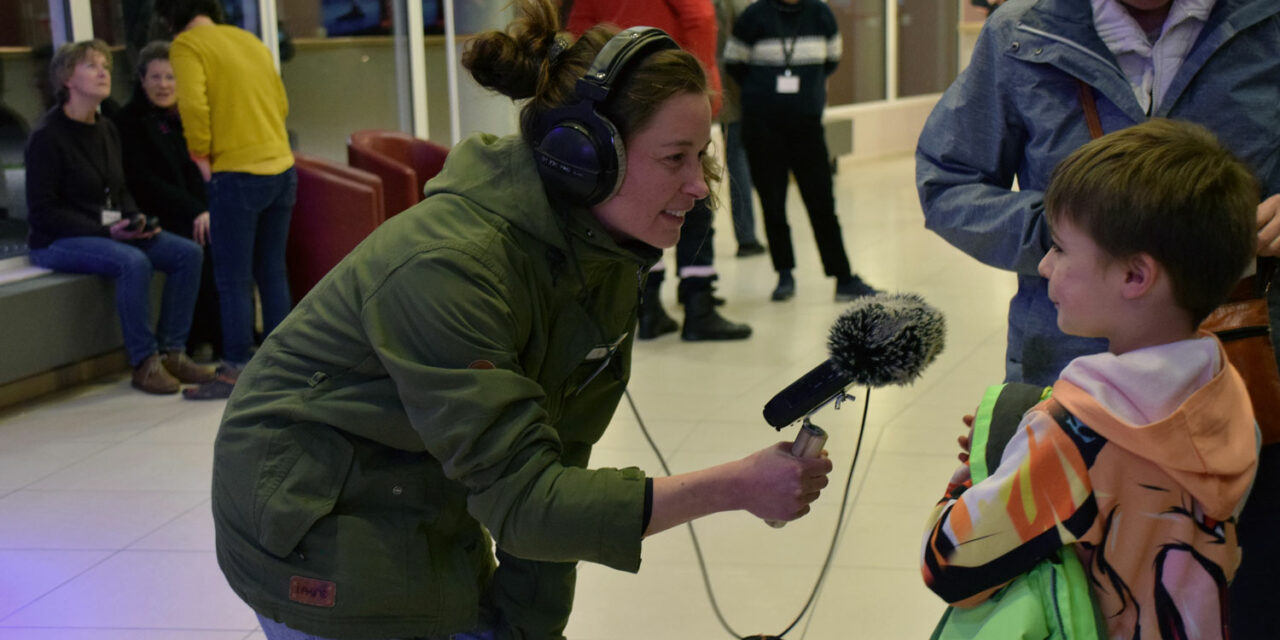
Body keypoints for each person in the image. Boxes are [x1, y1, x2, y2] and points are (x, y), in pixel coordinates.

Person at [209, 2, 833, 639]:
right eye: (675, 158)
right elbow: (528, 503)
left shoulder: (605, 249)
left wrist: (531, 630)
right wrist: (733, 486)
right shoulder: (448, 267)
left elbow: (559, 460)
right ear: (584, 155)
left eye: (701, 155)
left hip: (423, 478)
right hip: (309, 510)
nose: (700, 186)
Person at [914, 2, 1280, 635]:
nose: (1048, 265)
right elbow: (949, 181)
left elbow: (951, 560)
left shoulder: (1069, 433)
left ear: (1137, 274)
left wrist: (983, 464)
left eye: (1058, 250)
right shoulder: (1228, 407)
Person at [23, 39, 213, 395]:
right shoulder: (47, 137)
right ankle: (144, 362)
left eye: (106, 67)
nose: (103, 74)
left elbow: (120, 190)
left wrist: (135, 219)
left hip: (108, 231)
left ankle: (173, 351)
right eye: (92, 66)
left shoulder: (106, 128)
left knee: (188, 253)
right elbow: (45, 212)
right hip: (57, 240)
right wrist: (108, 232)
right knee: (133, 262)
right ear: (67, 78)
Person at [567, 0, 752, 341]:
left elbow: (581, 30)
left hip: (618, 99)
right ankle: (699, 303)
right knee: (694, 198)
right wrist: (703, 84)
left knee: (635, 201)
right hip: (672, 93)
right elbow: (700, 16)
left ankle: (646, 305)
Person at [162, 0, 297, 398]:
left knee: (233, 278)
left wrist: (201, 157)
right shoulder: (249, 40)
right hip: (282, 168)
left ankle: (236, 369)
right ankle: (283, 368)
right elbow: (281, 102)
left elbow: (192, 104)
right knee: (272, 271)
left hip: (236, 172)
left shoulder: (188, 46)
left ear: (172, 18)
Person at [724, 0, 876, 303]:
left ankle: (842, 277)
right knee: (773, 204)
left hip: (807, 127)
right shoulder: (755, 16)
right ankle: (784, 274)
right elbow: (734, 63)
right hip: (763, 127)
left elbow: (832, 59)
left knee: (822, 203)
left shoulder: (821, 14)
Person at [112, 40, 221, 360]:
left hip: (188, 209)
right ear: (141, 80)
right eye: (155, 77)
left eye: (170, 77)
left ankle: (230, 335)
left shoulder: (181, 119)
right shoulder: (129, 122)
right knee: (202, 242)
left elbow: (194, 176)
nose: (163, 85)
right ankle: (199, 340)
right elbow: (144, 182)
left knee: (228, 234)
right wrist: (197, 211)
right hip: (153, 213)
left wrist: (207, 209)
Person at [715, 0, 766, 258]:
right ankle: (746, 238)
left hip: (704, 80)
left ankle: (694, 251)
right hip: (732, 85)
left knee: (689, 159)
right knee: (737, 158)